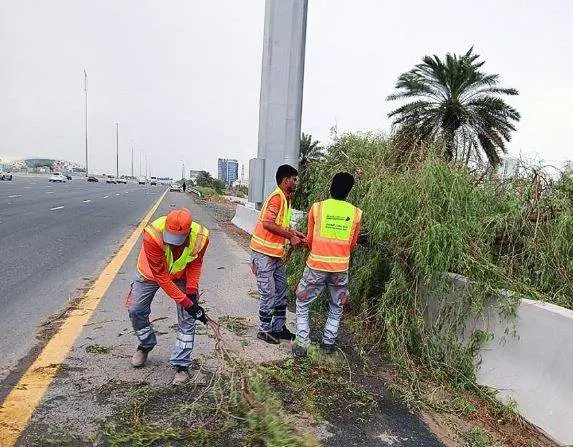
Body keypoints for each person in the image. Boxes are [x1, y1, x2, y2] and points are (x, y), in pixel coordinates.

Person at [127, 208, 210, 385]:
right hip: (151, 273)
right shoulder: (152, 235)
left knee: (188, 320)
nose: (173, 244)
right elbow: (162, 277)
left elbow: (195, 264)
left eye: (178, 241)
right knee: (136, 310)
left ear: (188, 233)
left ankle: (182, 365)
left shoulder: (201, 237)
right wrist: (187, 302)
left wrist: (192, 293)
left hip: (180, 275)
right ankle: (146, 344)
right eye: (170, 239)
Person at [292, 172, 363, 357]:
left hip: (316, 265)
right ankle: (328, 343)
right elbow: (352, 243)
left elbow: (309, 240)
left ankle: (302, 343)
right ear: (349, 191)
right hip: (340, 268)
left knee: (302, 301)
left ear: (331, 186)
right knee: (337, 305)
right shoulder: (356, 213)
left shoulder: (317, 208)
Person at [250, 164, 306, 344]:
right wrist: (290, 236)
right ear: (285, 179)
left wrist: (295, 233)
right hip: (263, 253)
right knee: (268, 292)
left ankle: (278, 327)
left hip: (274, 255)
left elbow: (280, 224)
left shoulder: (285, 198)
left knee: (281, 290)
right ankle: (264, 330)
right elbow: (267, 223)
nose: (296, 183)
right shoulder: (277, 198)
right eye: (294, 179)